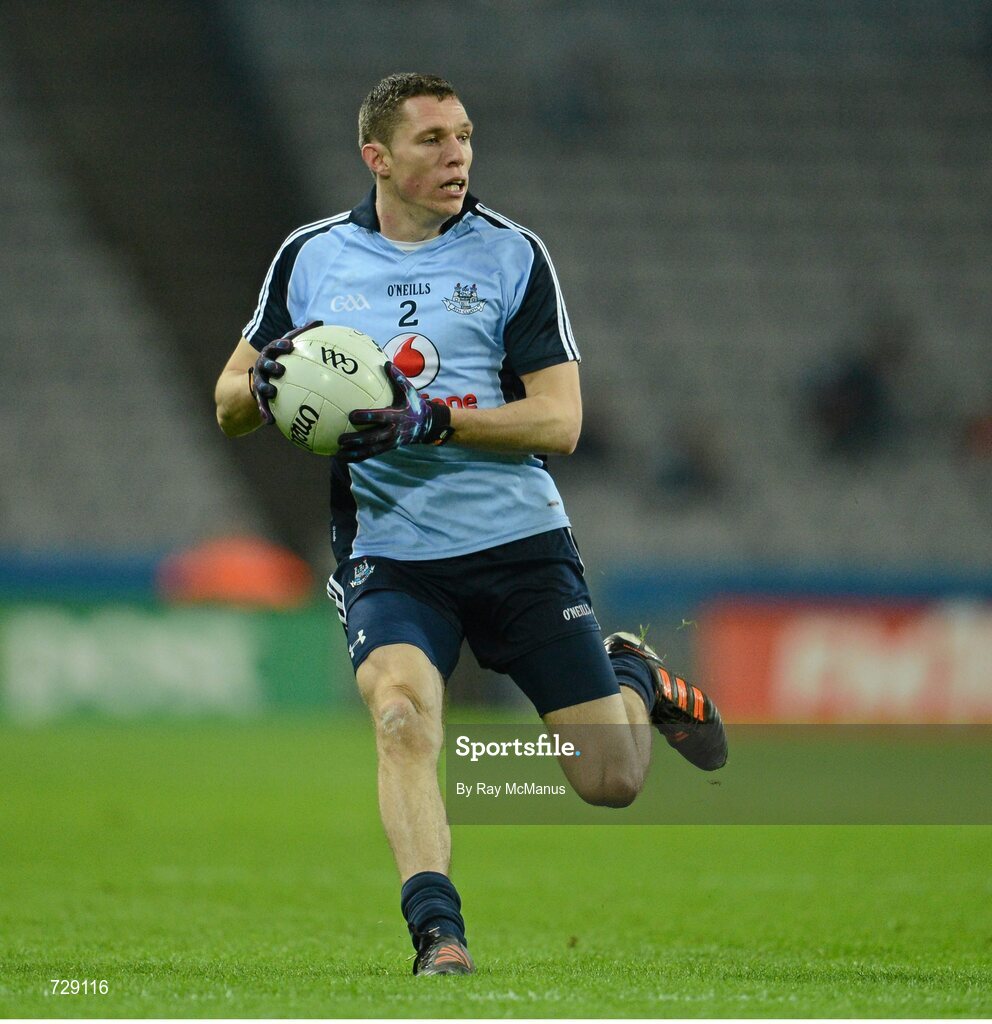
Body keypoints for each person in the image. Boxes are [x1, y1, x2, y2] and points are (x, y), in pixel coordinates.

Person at [214, 72, 727, 977]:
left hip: (517, 545)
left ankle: (634, 675)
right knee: (401, 717)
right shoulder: (311, 256)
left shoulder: (511, 255)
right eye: (434, 140)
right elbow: (228, 401)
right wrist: (273, 385)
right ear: (377, 157)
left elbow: (560, 421)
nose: (458, 156)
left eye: (465, 136)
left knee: (611, 779)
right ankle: (437, 934)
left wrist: (432, 420)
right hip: (391, 551)